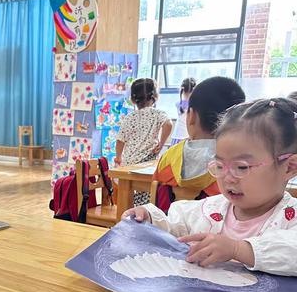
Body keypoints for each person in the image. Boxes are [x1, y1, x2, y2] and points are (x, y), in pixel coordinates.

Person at [122, 97, 297, 277]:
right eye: (220, 166)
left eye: (242, 167)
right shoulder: (210, 210)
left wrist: (238, 249)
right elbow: (175, 228)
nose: (227, 178)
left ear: (290, 167)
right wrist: (150, 218)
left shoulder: (290, 218)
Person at [153, 77, 246, 211]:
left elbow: (156, 193)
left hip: (165, 228)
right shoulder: (242, 165)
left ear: (191, 116)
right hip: (215, 231)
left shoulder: (169, 157)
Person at [115, 78, 172, 205]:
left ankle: (127, 209)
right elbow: (168, 124)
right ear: (155, 96)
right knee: (146, 190)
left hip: (128, 163)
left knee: (128, 190)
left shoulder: (129, 117)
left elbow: (120, 141)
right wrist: (161, 143)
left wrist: (118, 157)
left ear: (133, 99)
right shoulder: (158, 114)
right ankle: (142, 211)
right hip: (145, 163)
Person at [169, 77, 196, 146]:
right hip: (187, 136)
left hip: (177, 135)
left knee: (174, 154)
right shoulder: (195, 105)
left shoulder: (178, 104)